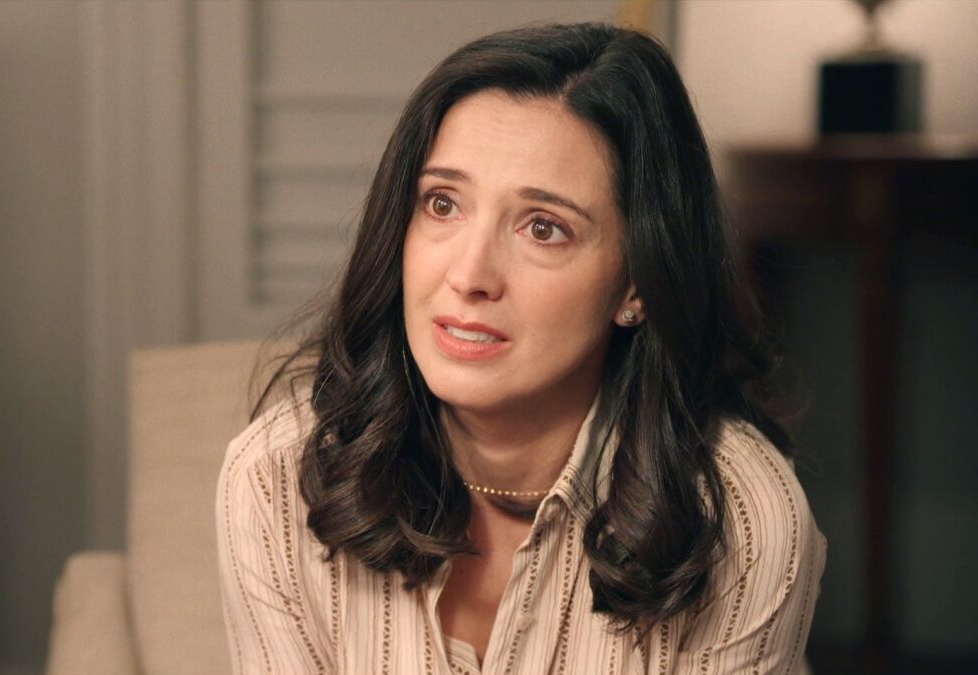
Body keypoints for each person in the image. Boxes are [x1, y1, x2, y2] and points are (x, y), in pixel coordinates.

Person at [216, 21, 827, 674]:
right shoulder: (276, 479)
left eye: (543, 227)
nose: (469, 275)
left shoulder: (741, 521)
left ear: (637, 284)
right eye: (443, 204)